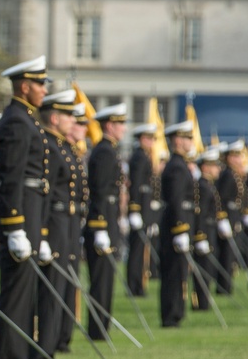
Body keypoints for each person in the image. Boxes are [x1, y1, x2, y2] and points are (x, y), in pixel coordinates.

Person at [0, 56, 50, 359]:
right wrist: (15, 226)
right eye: (40, 84)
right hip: (20, 210)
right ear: (24, 86)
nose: (44, 90)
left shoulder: (25, 118)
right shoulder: (16, 121)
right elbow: (12, 177)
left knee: (22, 290)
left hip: (30, 208)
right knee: (15, 291)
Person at [33, 89, 78, 359]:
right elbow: (46, 194)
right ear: (53, 117)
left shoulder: (60, 145)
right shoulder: (48, 146)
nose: (72, 120)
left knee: (60, 284)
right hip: (53, 222)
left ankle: (51, 344)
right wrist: (44, 234)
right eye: (67, 114)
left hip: (65, 222)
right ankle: (42, 347)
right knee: (49, 287)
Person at [83, 103, 127, 338]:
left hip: (109, 220)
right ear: (109, 125)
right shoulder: (103, 152)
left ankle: (103, 327)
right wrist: (100, 226)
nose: (124, 128)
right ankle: (97, 329)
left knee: (107, 279)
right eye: (120, 124)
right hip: (101, 222)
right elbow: (99, 191)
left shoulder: (110, 150)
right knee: (100, 280)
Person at [59, 104, 90, 353]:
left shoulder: (73, 154)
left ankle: (63, 334)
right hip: (60, 223)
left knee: (70, 278)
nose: (82, 128)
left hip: (71, 223)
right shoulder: (62, 152)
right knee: (60, 279)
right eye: (79, 123)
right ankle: (56, 336)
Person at [159, 121, 194, 328]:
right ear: (177, 140)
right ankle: (171, 315)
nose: (190, 142)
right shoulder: (177, 167)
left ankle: (176, 312)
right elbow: (177, 201)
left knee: (179, 272)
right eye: (188, 138)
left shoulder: (179, 165)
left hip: (177, 228)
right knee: (173, 274)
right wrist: (181, 228)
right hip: (174, 229)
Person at [214, 140, 248, 295]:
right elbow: (221, 199)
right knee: (226, 255)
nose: (237, 160)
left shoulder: (235, 175)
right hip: (227, 217)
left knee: (231, 255)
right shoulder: (228, 175)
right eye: (233, 157)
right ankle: (223, 287)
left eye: (238, 156)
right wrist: (222, 218)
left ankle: (227, 285)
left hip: (234, 218)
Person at [126, 123, 156, 296]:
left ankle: (139, 284)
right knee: (137, 250)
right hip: (140, 208)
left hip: (145, 208)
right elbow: (136, 185)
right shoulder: (139, 157)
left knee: (141, 248)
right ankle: (134, 285)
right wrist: (135, 209)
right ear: (142, 139)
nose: (152, 142)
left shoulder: (144, 156)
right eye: (150, 138)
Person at [191, 147, 220, 310]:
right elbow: (200, 214)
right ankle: (200, 303)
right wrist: (200, 236)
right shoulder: (202, 186)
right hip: (204, 232)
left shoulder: (208, 185)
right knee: (202, 269)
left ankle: (204, 301)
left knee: (208, 268)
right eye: (214, 165)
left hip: (210, 230)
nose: (217, 169)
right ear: (205, 167)